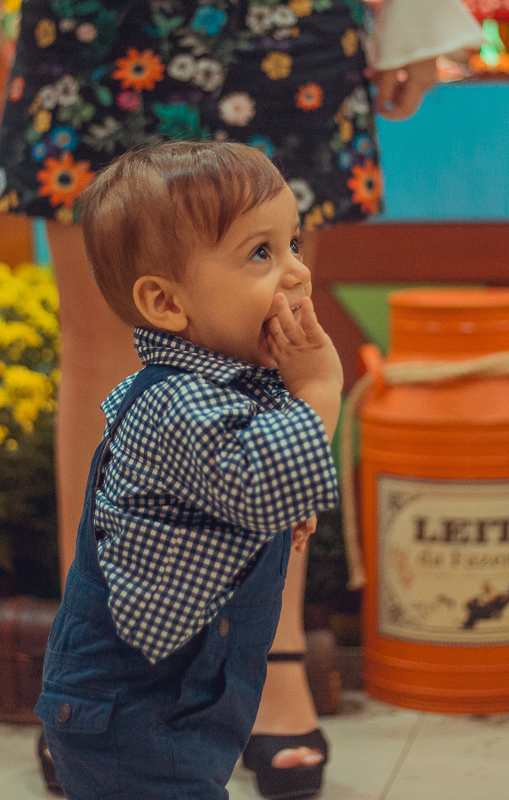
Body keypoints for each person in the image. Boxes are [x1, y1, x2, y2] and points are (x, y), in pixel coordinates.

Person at [0, 1, 484, 797]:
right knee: (104, 336)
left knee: (262, 326)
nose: (297, 264)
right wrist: (320, 392)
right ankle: (122, 659)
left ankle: (267, 653)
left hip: (274, 20)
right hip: (104, 23)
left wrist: (419, 22)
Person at [34, 140, 340, 799]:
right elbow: (261, 480)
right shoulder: (177, 405)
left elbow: (246, 495)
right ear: (167, 304)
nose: (296, 274)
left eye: (294, 244)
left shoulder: (229, 388)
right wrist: (318, 389)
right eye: (261, 254)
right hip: (132, 712)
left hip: (178, 702)